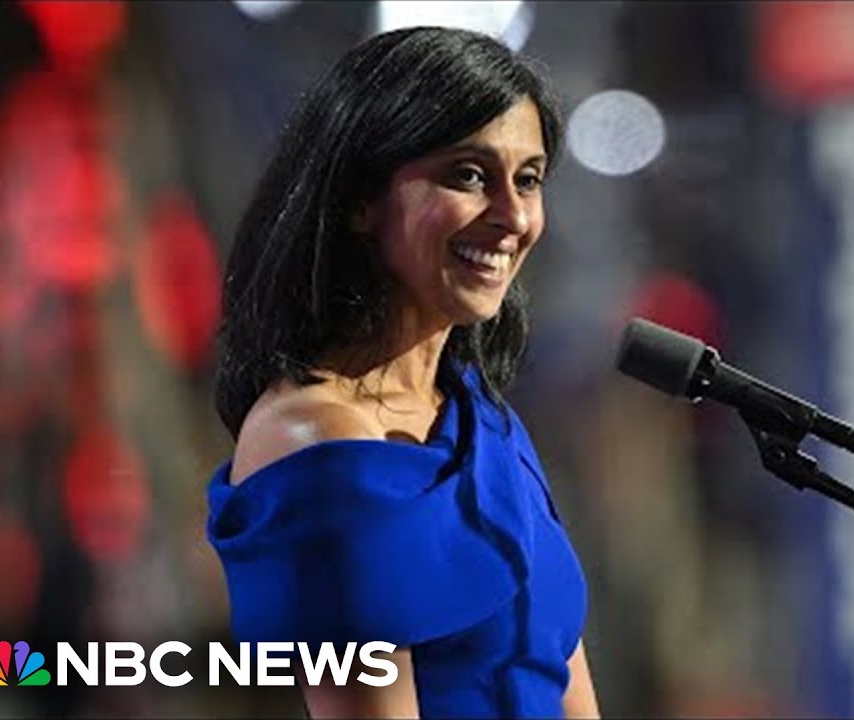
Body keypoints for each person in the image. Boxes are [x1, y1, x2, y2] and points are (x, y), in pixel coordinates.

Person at [204, 26, 599, 719]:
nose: (513, 217)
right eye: (469, 176)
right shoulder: (315, 440)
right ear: (360, 198)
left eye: (528, 180)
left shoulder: (487, 422)